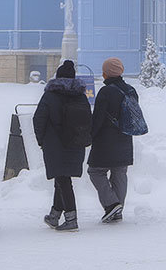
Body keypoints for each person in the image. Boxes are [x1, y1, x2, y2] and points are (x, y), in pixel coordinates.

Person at [33, 59, 91, 232]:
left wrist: (41, 140)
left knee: (63, 179)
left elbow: (39, 119)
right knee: (62, 178)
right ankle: (54, 215)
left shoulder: (50, 95)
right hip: (76, 142)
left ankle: (71, 218)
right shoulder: (80, 95)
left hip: (55, 144)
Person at [87, 57, 138, 223]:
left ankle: (112, 204)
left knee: (95, 171)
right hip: (125, 138)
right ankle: (117, 211)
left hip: (105, 141)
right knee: (120, 173)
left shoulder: (106, 92)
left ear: (106, 73)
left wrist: (90, 136)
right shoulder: (131, 91)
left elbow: (98, 118)